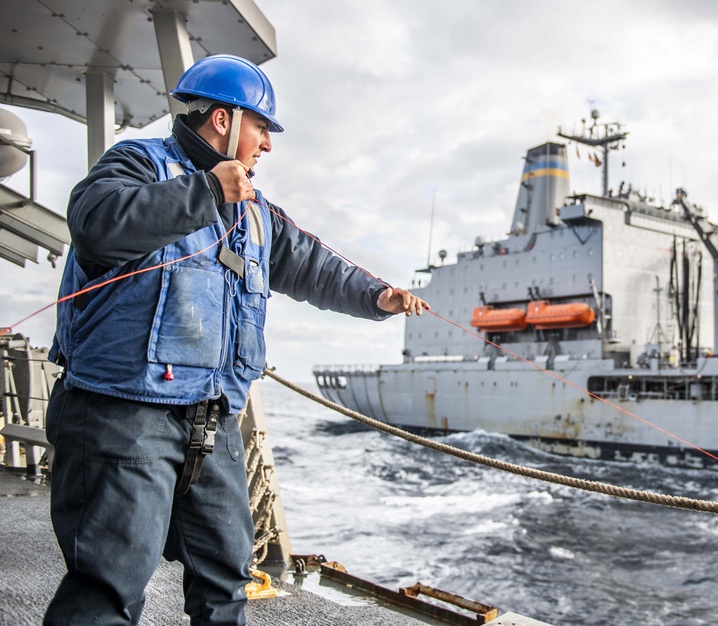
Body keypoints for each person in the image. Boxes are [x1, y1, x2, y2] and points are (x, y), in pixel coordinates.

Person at [42, 54, 428, 625]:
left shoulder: (255, 211)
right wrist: (206, 191)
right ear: (223, 120)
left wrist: (377, 297)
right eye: (262, 128)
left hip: (210, 419)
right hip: (123, 413)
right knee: (110, 584)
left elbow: (312, 264)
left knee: (227, 578)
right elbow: (96, 222)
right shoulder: (138, 163)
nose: (268, 144)